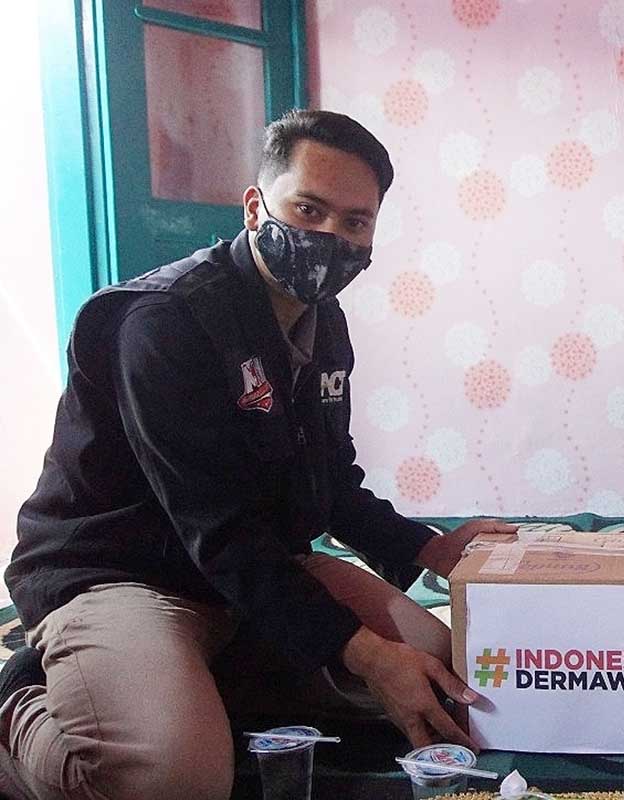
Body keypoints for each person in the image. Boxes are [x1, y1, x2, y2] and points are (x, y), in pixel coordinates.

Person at [0, 109, 514, 800]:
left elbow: (330, 483)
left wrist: (431, 548)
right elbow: (218, 529)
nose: (329, 238)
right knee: (172, 779)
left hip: (254, 569)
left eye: (355, 222)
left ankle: (198, 681)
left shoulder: (322, 324)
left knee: (446, 672)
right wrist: (365, 653)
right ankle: (21, 709)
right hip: (126, 575)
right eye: (309, 209)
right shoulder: (164, 323)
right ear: (254, 207)